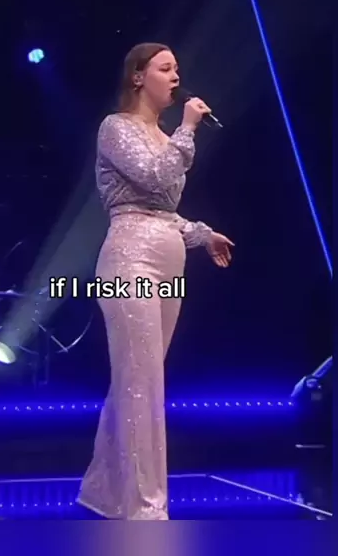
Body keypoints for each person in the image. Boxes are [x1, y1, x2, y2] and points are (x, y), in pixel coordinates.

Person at [77, 43, 234, 521]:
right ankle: (147, 510)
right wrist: (187, 129)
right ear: (138, 77)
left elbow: (164, 210)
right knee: (143, 382)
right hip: (130, 263)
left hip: (168, 266)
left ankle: (105, 492)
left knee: (136, 379)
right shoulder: (116, 128)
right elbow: (152, 179)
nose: (176, 77)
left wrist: (202, 234)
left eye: (177, 69)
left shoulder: (166, 139)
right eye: (166, 68)